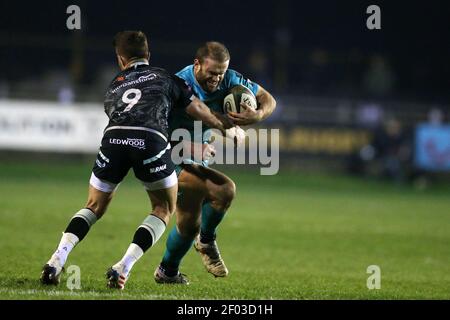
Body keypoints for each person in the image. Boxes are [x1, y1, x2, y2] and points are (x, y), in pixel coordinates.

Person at [40, 31, 233, 289]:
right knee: (163, 209)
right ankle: (123, 267)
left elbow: (114, 111)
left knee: (93, 206)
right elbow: (198, 109)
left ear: (121, 59)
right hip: (150, 140)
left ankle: (56, 260)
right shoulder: (166, 77)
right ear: (148, 55)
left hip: (113, 139)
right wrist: (225, 126)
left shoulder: (115, 82)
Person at [152, 41, 277, 284]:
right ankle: (207, 241)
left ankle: (167, 271)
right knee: (224, 190)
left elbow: (268, 99)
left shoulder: (230, 79)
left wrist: (258, 114)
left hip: (196, 160)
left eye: (221, 73)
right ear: (196, 64)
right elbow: (155, 135)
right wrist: (189, 146)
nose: (217, 79)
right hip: (171, 159)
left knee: (188, 225)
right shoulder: (178, 85)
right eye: (212, 73)